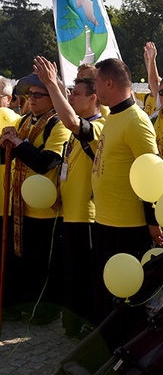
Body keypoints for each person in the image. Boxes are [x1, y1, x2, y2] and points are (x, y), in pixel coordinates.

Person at [89, 57, 163, 325]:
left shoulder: (136, 120)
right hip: (105, 222)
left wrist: (152, 221)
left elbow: (151, 173)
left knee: (128, 296)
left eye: (96, 83)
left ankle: (128, 348)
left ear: (109, 83)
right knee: (106, 291)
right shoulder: (114, 116)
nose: (94, 89)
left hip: (128, 227)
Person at [33, 56, 105, 337]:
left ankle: (87, 325)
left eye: (75, 94)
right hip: (69, 212)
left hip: (88, 214)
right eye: (70, 93)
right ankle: (72, 324)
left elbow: (73, 122)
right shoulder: (77, 133)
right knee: (71, 273)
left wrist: (52, 85)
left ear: (93, 98)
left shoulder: (97, 128)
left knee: (86, 274)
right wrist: (60, 193)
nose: (72, 98)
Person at [0, 72, 71, 324]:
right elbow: (8, 156)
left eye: (38, 95)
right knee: (18, 260)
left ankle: (44, 310)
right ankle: (15, 305)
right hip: (19, 203)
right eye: (29, 95)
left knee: (43, 262)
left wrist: (19, 144)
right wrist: (6, 142)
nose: (31, 99)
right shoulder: (24, 121)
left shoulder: (59, 124)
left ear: (53, 98)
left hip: (45, 207)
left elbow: (47, 162)